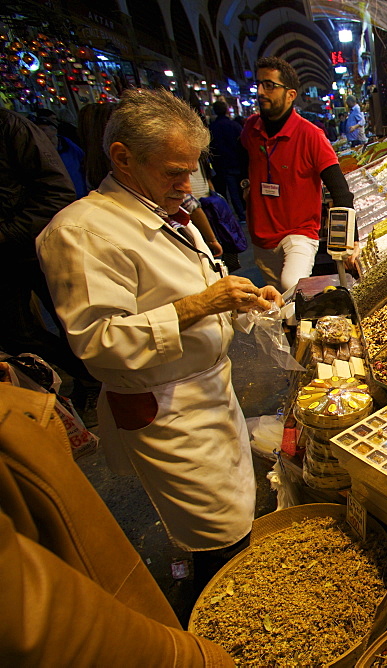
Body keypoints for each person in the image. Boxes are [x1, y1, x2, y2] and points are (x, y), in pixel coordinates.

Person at [36, 88, 282, 588]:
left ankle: (233, 595)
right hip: (167, 407)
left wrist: (242, 304)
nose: (186, 183)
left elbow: (192, 290)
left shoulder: (162, 211)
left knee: (234, 512)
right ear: (122, 158)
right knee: (216, 530)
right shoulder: (82, 231)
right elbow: (98, 340)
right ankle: (216, 625)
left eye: (191, 169)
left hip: (211, 392)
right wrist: (203, 303)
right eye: (174, 171)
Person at [0, 383, 234, 666]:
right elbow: (39, 621)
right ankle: (213, 593)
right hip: (165, 402)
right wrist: (197, 658)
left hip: (206, 393)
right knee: (208, 520)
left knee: (224, 511)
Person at [0, 107, 96, 407]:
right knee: (16, 332)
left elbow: (56, 192)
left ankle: (95, 379)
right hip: (12, 254)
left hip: (38, 247)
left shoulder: (10, 127)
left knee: (74, 324)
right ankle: (88, 378)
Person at [241, 56, 357, 291]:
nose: (262, 91)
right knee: (278, 300)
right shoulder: (250, 129)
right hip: (262, 236)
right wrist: (246, 188)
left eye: (270, 85)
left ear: (291, 94)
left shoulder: (311, 135)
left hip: (300, 232)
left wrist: (350, 240)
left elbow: (340, 191)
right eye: (259, 84)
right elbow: (242, 163)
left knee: (291, 285)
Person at [209, 100, 247, 221]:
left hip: (220, 165)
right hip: (235, 163)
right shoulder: (234, 126)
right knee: (236, 191)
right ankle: (241, 215)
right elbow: (243, 145)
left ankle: (225, 217)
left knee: (222, 193)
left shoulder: (212, 128)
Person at [35, 116, 88, 198]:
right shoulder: (38, 150)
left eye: (43, 130)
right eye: (37, 131)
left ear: (54, 130)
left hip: (80, 192)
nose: (40, 134)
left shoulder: (68, 145)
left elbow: (82, 160)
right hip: (59, 196)